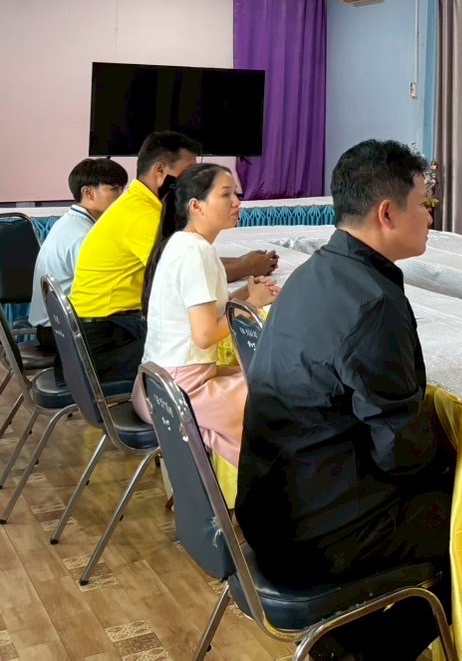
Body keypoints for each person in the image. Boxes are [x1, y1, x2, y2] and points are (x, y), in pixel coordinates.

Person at [238, 139, 454, 660]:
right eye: (424, 203)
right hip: (318, 536)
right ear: (387, 212)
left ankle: (344, 643)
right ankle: (361, 652)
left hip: (269, 512)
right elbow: (401, 453)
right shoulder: (373, 303)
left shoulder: (314, 273)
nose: (430, 216)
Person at [69, 131, 278, 388]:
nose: (236, 203)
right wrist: (249, 287)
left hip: (114, 326)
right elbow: (203, 327)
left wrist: (245, 288)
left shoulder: (147, 209)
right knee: (258, 377)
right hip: (108, 336)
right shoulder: (141, 215)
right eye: (190, 171)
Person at [131, 163, 277, 466]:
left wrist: (245, 294)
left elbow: (205, 313)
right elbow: (205, 334)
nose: (237, 202)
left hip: (155, 385)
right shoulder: (197, 252)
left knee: (265, 383)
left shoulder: (180, 244)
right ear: (196, 206)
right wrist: (253, 303)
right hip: (182, 392)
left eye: (236, 194)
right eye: (226, 195)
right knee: (282, 398)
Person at [28, 158, 129, 355]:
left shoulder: (73, 223)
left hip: (56, 326)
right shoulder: (82, 236)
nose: (122, 196)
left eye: (122, 189)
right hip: (61, 332)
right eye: (115, 189)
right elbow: (103, 289)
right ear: (88, 192)